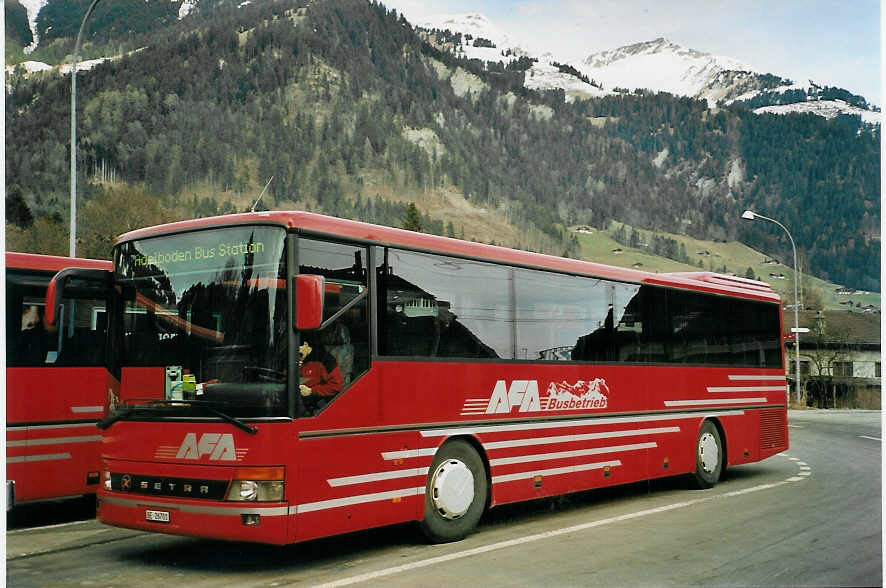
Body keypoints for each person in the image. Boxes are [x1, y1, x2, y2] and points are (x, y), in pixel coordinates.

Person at [299, 335, 343, 413]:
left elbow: (336, 386)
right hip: (296, 398)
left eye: (297, 349)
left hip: (317, 404)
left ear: (305, 344)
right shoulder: (294, 358)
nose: (295, 353)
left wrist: (311, 391)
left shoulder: (325, 360)